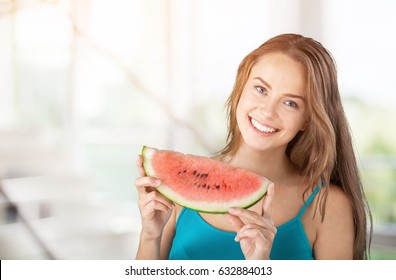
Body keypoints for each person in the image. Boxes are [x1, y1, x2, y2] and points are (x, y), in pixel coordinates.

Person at [134, 33, 372, 260]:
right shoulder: (180, 184)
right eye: (260, 89)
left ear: (307, 119)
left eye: (290, 103)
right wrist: (150, 234)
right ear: (240, 88)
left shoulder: (328, 205)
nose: (267, 111)